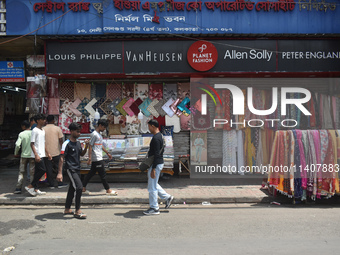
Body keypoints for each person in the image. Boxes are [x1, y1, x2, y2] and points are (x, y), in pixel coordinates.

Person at [57, 122, 89, 219]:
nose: (79, 133)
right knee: (79, 187)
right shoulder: (66, 143)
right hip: (71, 169)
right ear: (71, 132)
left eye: (80, 132)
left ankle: (67, 208)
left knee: (72, 188)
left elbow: (82, 154)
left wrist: (87, 146)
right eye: (77, 131)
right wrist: (59, 173)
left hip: (77, 168)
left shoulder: (79, 143)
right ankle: (77, 210)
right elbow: (62, 157)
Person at [143, 119, 173, 216]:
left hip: (155, 164)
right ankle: (167, 197)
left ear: (152, 126)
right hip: (159, 162)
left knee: (152, 187)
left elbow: (156, 154)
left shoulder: (156, 138)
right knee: (154, 184)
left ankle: (154, 208)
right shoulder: (160, 136)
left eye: (149, 126)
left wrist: (154, 169)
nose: (148, 128)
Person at [82, 119, 117, 195]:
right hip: (96, 157)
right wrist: (90, 158)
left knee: (91, 173)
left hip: (98, 157)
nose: (104, 129)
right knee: (102, 174)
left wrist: (107, 153)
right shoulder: (94, 134)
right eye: (104, 127)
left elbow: (101, 146)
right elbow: (90, 146)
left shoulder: (99, 135)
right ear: (100, 125)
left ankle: (83, 187)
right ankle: (108, 189)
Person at [25, 114, 51, 196]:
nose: (44, 121)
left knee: (37, 171)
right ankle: (30, 186)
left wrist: (48, 153)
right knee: (42, 170)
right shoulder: (34, 130)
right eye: (43, 119)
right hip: (37, 154)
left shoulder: (42, 130)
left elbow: (43, 143)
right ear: (38, 120)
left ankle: (35, 188)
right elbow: (32, 144)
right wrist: (36, 154)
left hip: (42, 154)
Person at [43, 115, 67, 189]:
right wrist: (63, 148)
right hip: (56, 152)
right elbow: (60, 140)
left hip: (46, 153)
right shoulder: (57, 128)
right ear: (53, 120)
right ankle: (60, 183)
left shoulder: (43, 129)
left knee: (48, 168)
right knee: (59, 168)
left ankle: (51, 184)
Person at [13, 120, 35, 194]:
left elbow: (17, 145)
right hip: (32, 155)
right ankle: (32, 187)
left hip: (24, 155)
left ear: (24, 126)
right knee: (32, 172)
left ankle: (18, 188)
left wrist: (16, 153)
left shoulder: (21, 134)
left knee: (21, 172)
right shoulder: (33, 133)